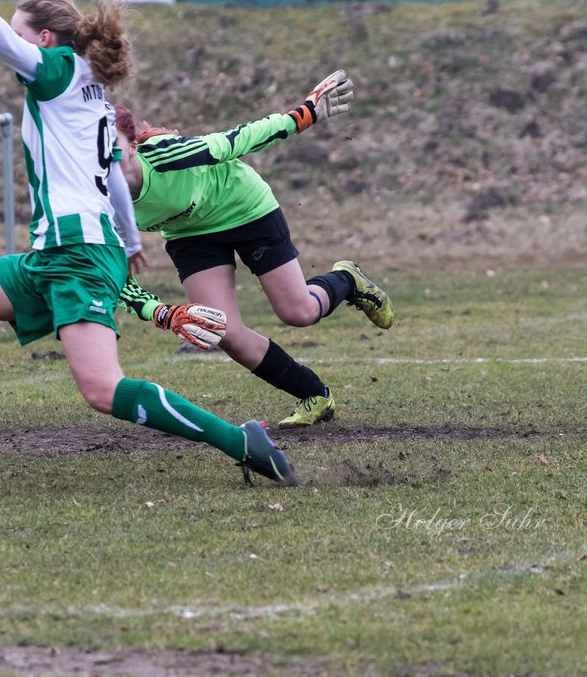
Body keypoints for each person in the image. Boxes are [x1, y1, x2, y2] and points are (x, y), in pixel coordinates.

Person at [0, 0, 296, 487]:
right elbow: (113, 173)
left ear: (44, 40)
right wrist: (132, 239)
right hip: (58, 253)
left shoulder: (58, 71)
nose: (15, 44)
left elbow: (0, 43)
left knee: (103, 391)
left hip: (78, 257)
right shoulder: (90, 92)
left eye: (22, 31)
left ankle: (239, 440)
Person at [110, 70, 396, 429]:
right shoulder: (93, 198)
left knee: (299, 312)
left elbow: (239, 139)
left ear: (133, 145)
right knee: (223, 331)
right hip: (189, 234)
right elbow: (109, 273)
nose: (104, 163)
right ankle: (315, 395)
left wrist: (306, 113)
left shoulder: (169, 157)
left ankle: (348, 280)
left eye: (112, 150)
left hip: (245, 209)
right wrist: (162, 313)